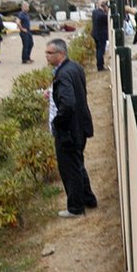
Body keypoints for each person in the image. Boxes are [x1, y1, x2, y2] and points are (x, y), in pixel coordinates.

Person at [45, 39, 96, 218]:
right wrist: (53, 94)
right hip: (80, 126)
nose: (46, 56)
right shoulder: (74, 67)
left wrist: (57, 122)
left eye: (50, 53)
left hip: (69, 130)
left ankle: (75, 207)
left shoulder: (63, 74)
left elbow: (68, 104)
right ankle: (88, 199)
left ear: (61, 54)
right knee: (77, 164)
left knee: (70, 168)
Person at [92, 0, 109, 71]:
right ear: (105, 7)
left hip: (95, 34)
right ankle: (100, 66)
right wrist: (107, 12)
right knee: (101, 51)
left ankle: (99, 65)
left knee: (98, 50)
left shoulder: (95, 12)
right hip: (101, 35)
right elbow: (108, 21)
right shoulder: (103, 16)